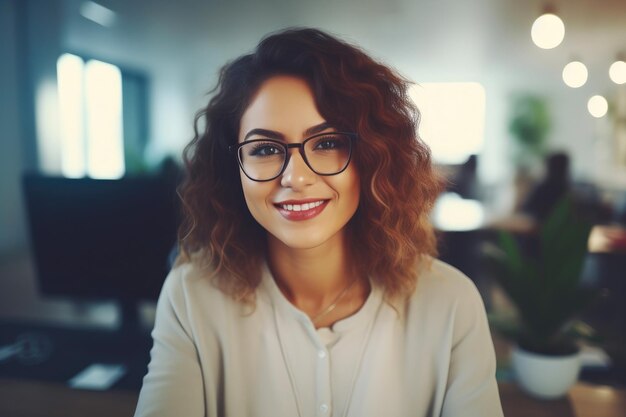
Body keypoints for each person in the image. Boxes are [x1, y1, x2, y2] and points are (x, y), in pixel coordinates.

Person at [134, 27, 503, 417]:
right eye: (264, 149)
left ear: (372, 157)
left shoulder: (451, 305)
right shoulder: (192, 298)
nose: (295, 177)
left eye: (327, 143)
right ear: (234, 169)